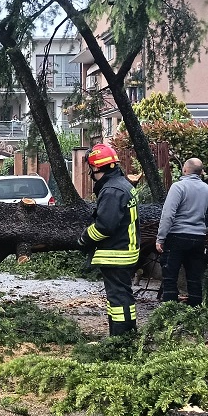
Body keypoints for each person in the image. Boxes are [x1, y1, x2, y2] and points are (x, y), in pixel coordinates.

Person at [76, 143, 140, 336]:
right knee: (121, 298)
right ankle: (125, 335)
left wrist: (84, 239)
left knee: (119, 299)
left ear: (96, 168)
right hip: (125, 250)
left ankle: (121, 339)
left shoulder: (112, 190)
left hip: (116, 253)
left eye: (92, 169)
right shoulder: (123, 185)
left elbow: (105, 226)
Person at [156, 158, 208, 306]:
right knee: (194, 276)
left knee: (170, 275)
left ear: (185, 170)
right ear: (201, 172)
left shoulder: (178, 187)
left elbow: (168, 214)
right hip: (198, 238)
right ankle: (196, 312)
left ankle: (169, 311)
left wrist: (160, 238)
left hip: (177, 236)